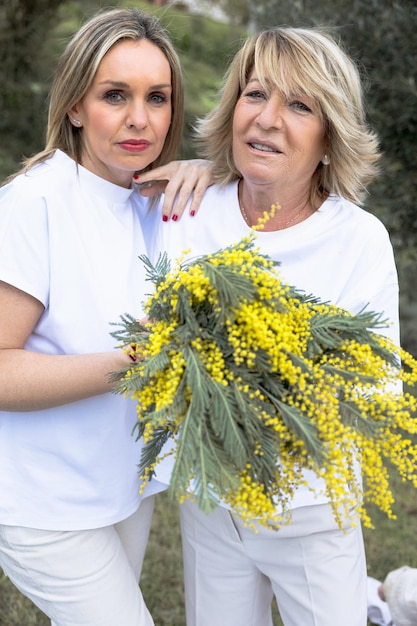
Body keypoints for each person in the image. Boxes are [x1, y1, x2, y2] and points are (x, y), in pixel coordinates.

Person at [145, 26, 400, 626]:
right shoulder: (186, 212)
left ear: (330, 138)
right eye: (255, 94)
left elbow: (376, 387)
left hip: (312, 506)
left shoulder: (358, 239)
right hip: (210, 500)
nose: (267, 120)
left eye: (300, 105)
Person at [0, 7, 212, 626]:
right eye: (114, 95)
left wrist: (209, 171)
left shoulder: (152, 200)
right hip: (43, 503)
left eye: (158, 97)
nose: (139, 119)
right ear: (73, 105)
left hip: (124, 486)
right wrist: (130, 361)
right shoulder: (32, 205)